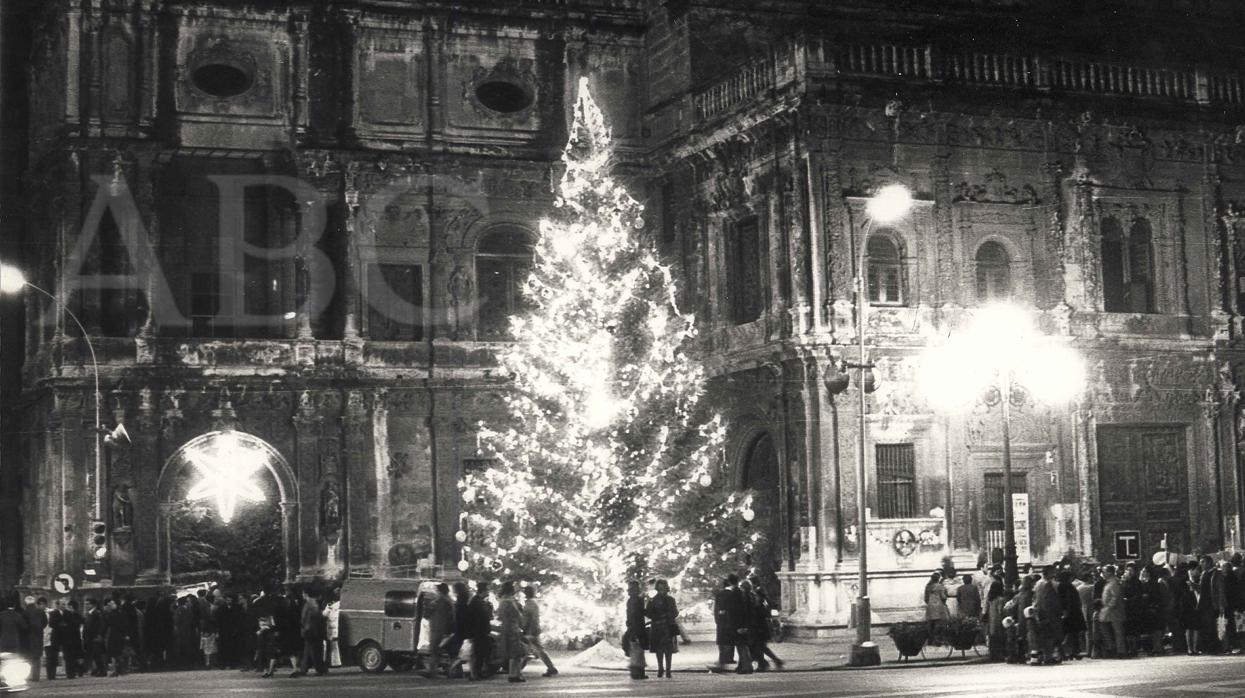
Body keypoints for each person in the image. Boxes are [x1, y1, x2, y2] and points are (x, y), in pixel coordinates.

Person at [708, 574, 751, 674]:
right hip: (738, 622)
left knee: (737, 645)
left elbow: (735, 610)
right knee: (740, 645)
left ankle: (743, 666)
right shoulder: (739, 593)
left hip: (734, 622)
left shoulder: (733, 594)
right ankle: (744, 666)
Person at [522, 585, 557, 677]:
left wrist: (525, 629)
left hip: (531, 630)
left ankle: (515, 671)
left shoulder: (529, 604)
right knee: (538, 649)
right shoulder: (533, 603)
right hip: (534, 629)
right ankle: (551, 667)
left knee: (525, 649)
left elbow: (528, 618)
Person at [646, 579, 678, 678]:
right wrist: (657, 617)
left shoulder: (671, 600)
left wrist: (669, 615)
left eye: (663, 587)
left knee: (668, 650)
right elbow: (648, 612)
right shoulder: (653, 600)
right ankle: (661, 668)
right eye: (660, 588)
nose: (662, 590)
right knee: (659, 650)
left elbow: (675, 612)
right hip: (658, 626)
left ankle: (668, 670)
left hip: (668, 626)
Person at [290, 586, 325, 677]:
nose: (302, 595)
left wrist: (306, 628)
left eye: (303, 593)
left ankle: (317, 668)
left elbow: (308, 618)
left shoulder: (310, 603)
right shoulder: (312, 603)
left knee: (313, 650)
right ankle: (305, 668)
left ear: (306, 594)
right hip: (311, 629)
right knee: (308, 649)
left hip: (310, 630)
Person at [496, 581, 526, 684]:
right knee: (515, 652)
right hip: (512, 627)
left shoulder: (502, 601)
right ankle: (514, 674)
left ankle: (516, 674)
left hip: (507, 627)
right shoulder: (509, 601)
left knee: (515, 652)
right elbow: (517, 615)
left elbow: (499, 616)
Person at [1033, 566, 1063, 664]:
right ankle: (1048, 657)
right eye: (1052, 572)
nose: (1054, 574)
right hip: (1048, 613)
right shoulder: (1047, 584)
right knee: (1049, 636)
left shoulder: (1038, 584)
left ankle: (1044, 656)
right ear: (1048, 573)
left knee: (1043, 636)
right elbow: (1049, 600)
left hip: (1039, 612)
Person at [423, 583, 453, 678]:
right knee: (441, 651)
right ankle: (442, 670)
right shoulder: (450, 601)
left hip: (437, 629)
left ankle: (432, 671)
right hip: (445, 630)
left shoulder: (438, 602)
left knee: (434, 650)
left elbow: (426, 614)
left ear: (440, 591)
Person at [750, 584, 784, 670]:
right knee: (761, 647)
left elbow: (761, 615)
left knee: (760, 647)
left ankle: (767, 663)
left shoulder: (760, 604)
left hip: (760, 628)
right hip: (763, 628)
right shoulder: (764, 602)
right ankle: (766, 662)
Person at [465, 581, 494, 680]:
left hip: (482, 631)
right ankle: (475, 673)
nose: (489, 592)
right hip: (478, 631)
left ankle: (479, 672)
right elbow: (479, 617)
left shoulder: (480, 602)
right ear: (484, 590)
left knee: (482, 652)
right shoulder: (476, 602)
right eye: (487, 590)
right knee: (477, 653)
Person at [1097, 565, 1127, 658]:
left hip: (1114, 611)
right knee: (1106, 629)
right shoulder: (1109, 583)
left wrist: (1110, 605)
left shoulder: (1114, 583)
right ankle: (1112, 648)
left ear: (1110, 572)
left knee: (1117, 631)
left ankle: (1120, 650)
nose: (1103, 574)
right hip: (1108, 610)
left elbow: (1115, 596)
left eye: (1104, 571)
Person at [1057, 569, 1085, 660]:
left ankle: (1070, 652)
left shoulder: (1061, 585)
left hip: (1069, 612)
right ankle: (1072, 651)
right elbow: (1070, 600)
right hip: (1072, 613)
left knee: (1069, 633)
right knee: (1072, 633)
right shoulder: (1068, 586)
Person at [625, 580, 648, 680]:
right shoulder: (636, 600)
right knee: (637, 651)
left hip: (634, 627)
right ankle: (637, 673)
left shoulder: (632, 600)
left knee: (637, 651)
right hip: (637, 628)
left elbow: (632, 616)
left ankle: (638, 672)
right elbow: (636, 615)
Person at [24, 596, 47, 682]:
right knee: (37, 657)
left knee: (27, 657)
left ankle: (27, 676)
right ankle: (36, 676)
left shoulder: (25, 612)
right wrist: (40, 629)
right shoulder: (41, 612)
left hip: (28, 637)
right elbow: (45, 622)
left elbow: (23, 625)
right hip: (38, 636)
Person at [103, 597, 126, 677]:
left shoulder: (112, 614)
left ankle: (116, 670)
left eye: (113, 603)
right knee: (116, 654)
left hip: (114, 636)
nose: (112, 605)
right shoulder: (117, 613)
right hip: (116, 636)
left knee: (114, 654)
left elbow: (107, 624)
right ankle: (119, 669)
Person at [923, 572, 950, 641]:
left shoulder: (928, 586)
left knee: (931, 622)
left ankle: (930, 638)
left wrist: (930, 602)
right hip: (939, 605)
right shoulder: (940, 586)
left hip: (930, 605)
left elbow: (926, 598)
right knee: (939, 622)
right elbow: (943, 597)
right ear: (938, 579)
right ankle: (937, 638)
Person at [984, 581, 1007, 661]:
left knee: (992, 637)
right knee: (1000, 637)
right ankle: (1000, 654)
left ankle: (993, 654)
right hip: (998, 619)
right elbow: (1001, 611)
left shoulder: (989, 598)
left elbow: (985, 609)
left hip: (991, 619)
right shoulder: (1001, 599)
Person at [61, 600, 84, 679]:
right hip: (71, 639)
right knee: (71, 657)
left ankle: (72, 672)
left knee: (71, 657)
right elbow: (76, 622)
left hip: (71, 639)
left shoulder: (73, 614)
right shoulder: (67, 614)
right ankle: (72, 673)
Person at [82, 598, 106, 676]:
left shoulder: (97, 613)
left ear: (93, 605)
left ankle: (102, 671)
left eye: (88, 604)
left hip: (94, 637)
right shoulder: (89, 613)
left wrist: (99, 635)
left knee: (97, 655)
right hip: (89, 638)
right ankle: (97, 670)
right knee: (93, 655)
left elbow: (101, 625)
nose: (86, 605)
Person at [45, 598, 63, 680]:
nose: (64, 606)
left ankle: (53, 674)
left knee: (54, 657)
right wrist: (61, 625)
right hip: (51, 637)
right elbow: (52, 624)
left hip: (57, 638)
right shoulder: (52, 613)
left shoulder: (64, 613)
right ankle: (50, 675)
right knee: (50, 657)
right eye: (62, 604)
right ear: (57, 605)